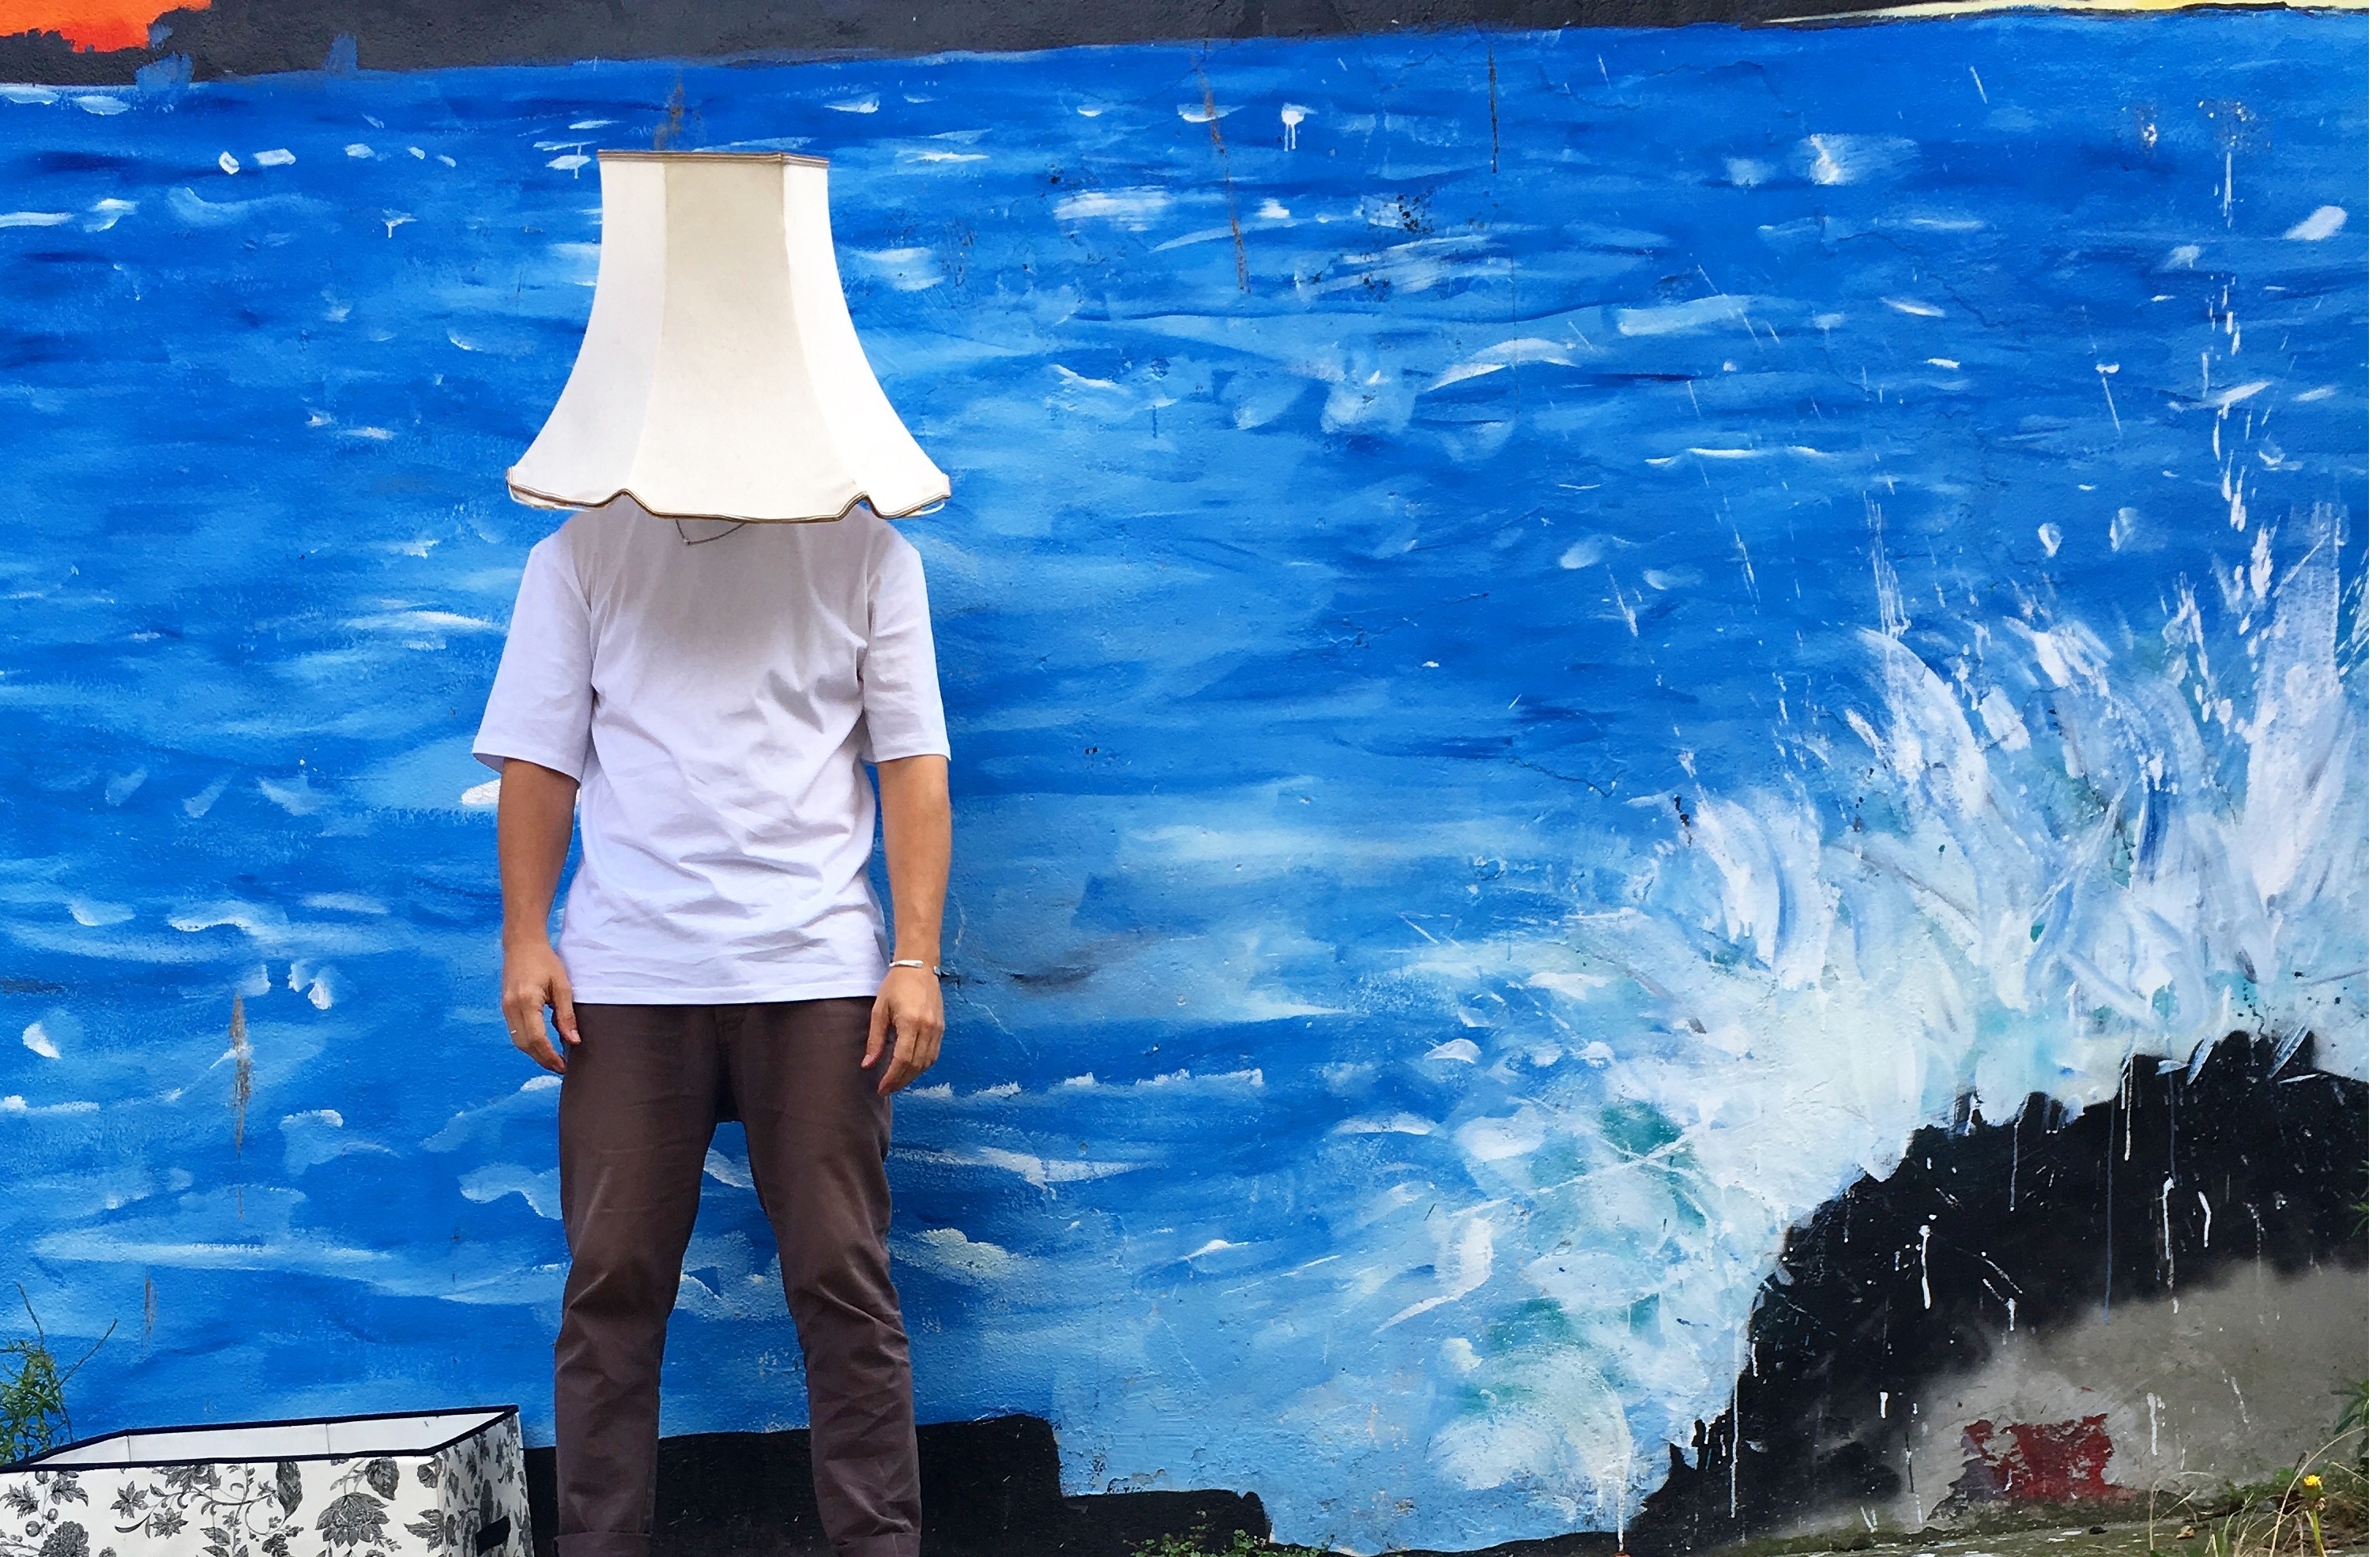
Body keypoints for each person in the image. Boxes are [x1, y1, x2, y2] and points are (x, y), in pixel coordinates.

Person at [471, 497, 951, 1557]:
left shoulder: (870, 552)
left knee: (841, 1279)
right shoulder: (583, 551)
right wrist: (524, 939)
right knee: (612, 1288)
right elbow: (538, 761)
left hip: (816, 965)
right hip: (628, 975)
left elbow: (913, 760)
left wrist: (914, 958)